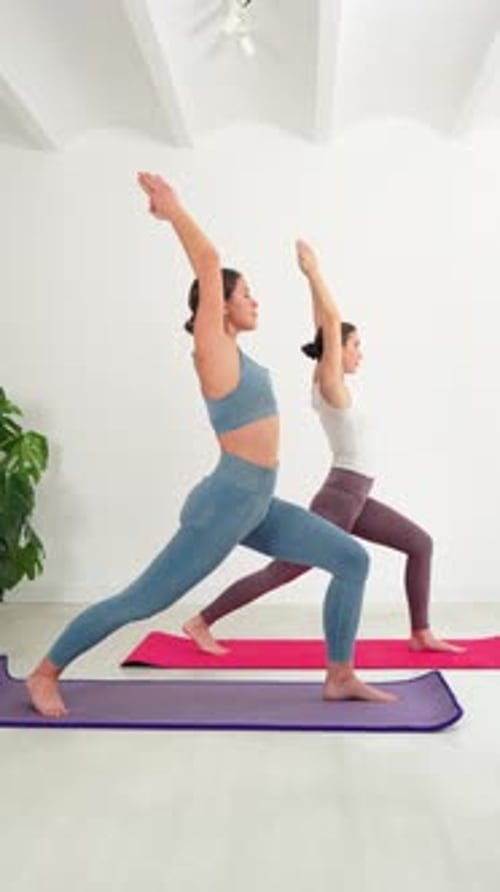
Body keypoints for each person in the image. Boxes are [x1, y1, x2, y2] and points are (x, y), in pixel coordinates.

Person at [26, 176, 395, 717]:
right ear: (219, 307)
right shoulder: (213, 351)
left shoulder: (242, 357)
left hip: (258, 504)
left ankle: (340, 675)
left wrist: (314, 277)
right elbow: (207, 262)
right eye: (245, 293)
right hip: (225, 505)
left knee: (351, 560)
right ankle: (45, 672)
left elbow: (326, 328)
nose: (254, 301)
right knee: (143, 601)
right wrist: (175, 212)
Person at [183, 240, 464, 657]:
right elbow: (329, 323)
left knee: (419, 544)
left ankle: (420, 632)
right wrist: (313, 274)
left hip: (356, 496)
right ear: (337, 352)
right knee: (284, 571)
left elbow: (325, 327)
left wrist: (313, 284)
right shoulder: (330, 387)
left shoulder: (337, 386)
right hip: (340, 497)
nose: (358, 353)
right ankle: (201, 621)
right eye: (354, 346)